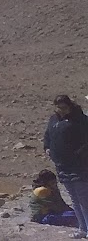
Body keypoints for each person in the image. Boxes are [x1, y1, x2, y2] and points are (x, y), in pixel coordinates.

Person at [46, 94, 88, 238]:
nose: (61, 111)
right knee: (74, 198)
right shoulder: (54, 120)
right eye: (58, 108)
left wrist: (79, 154)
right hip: (62, 166)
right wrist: (47, 147)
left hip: (79, 166)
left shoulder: (80, 120)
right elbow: (48, 136)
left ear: (70, 106)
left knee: (83, 198)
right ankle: (83, 228)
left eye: (64, 108)